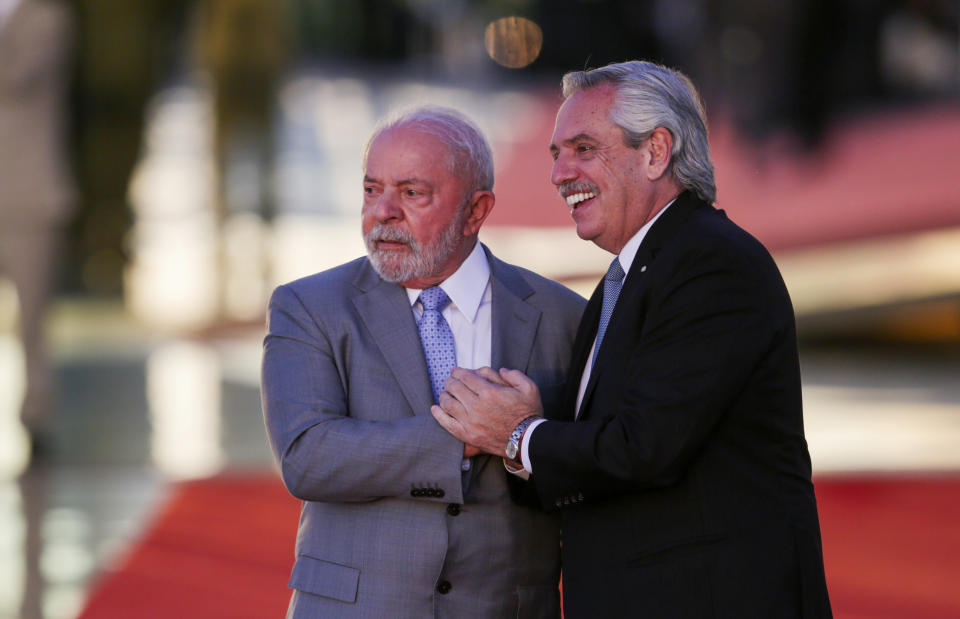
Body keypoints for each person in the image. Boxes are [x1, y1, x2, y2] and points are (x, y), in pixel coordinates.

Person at [432, 61, 833, 618]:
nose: (559, 174)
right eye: (556, 154)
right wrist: (531, 432)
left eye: (583, 148)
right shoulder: (634, 274)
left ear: (656, 151)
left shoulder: (711, 263)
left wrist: (520, 435)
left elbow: (646, 448)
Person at [261, 106, 585, 618]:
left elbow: (588, 465)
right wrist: (475, 432)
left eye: (412, 193)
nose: (382, 211)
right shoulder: (308, 306)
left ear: (476, 211)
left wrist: (529, 437)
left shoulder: (564, 316)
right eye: (371, 190)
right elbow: (307, 456)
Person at [0, 0, 76, 456]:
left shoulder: (46, 18)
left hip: (29, 193)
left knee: (32, 320)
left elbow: (15, 77)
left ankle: (36, 420)